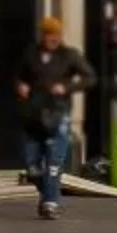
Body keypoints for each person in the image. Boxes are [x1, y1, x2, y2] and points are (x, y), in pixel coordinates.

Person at [16, 17, 91, 220]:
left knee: (53, 161)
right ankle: (47, 192)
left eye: (56, 35)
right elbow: (20, 75)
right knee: (31, 166)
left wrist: (66, 88)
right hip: (33, 113)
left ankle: (51, 202)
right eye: (49, 35)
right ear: (43, 35)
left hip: (58, 112)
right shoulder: (31, 54)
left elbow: (89, 77)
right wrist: (21, 85)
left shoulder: (69, 56)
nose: (53, 39)